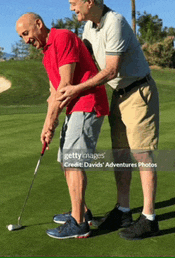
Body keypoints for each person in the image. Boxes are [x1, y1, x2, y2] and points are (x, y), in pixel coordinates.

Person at [58, 0, 160, 240]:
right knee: (121, 154)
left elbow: (110, 70)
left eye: (74, 3)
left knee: (142, 155)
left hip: (138, 91)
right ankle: (123, 210)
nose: (72, 9)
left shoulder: (115, 22)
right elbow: (88, 63)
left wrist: (76, 90)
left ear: (89, 2)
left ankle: (149, 218)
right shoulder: (89, 28)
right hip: (119, 94)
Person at [16, 12, 109, 239]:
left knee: (73, 162)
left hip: (86, 102)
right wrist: (47, 125)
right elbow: (53, 93)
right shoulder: (46, 55)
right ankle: (82, 212)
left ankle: (78, 223)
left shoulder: (62, 37)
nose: (26, 40)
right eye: (21, 37)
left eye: (27, 33)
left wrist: (52, 121)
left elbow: (66, 85)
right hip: (73, 107)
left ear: (39, 23)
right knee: (65, 161)